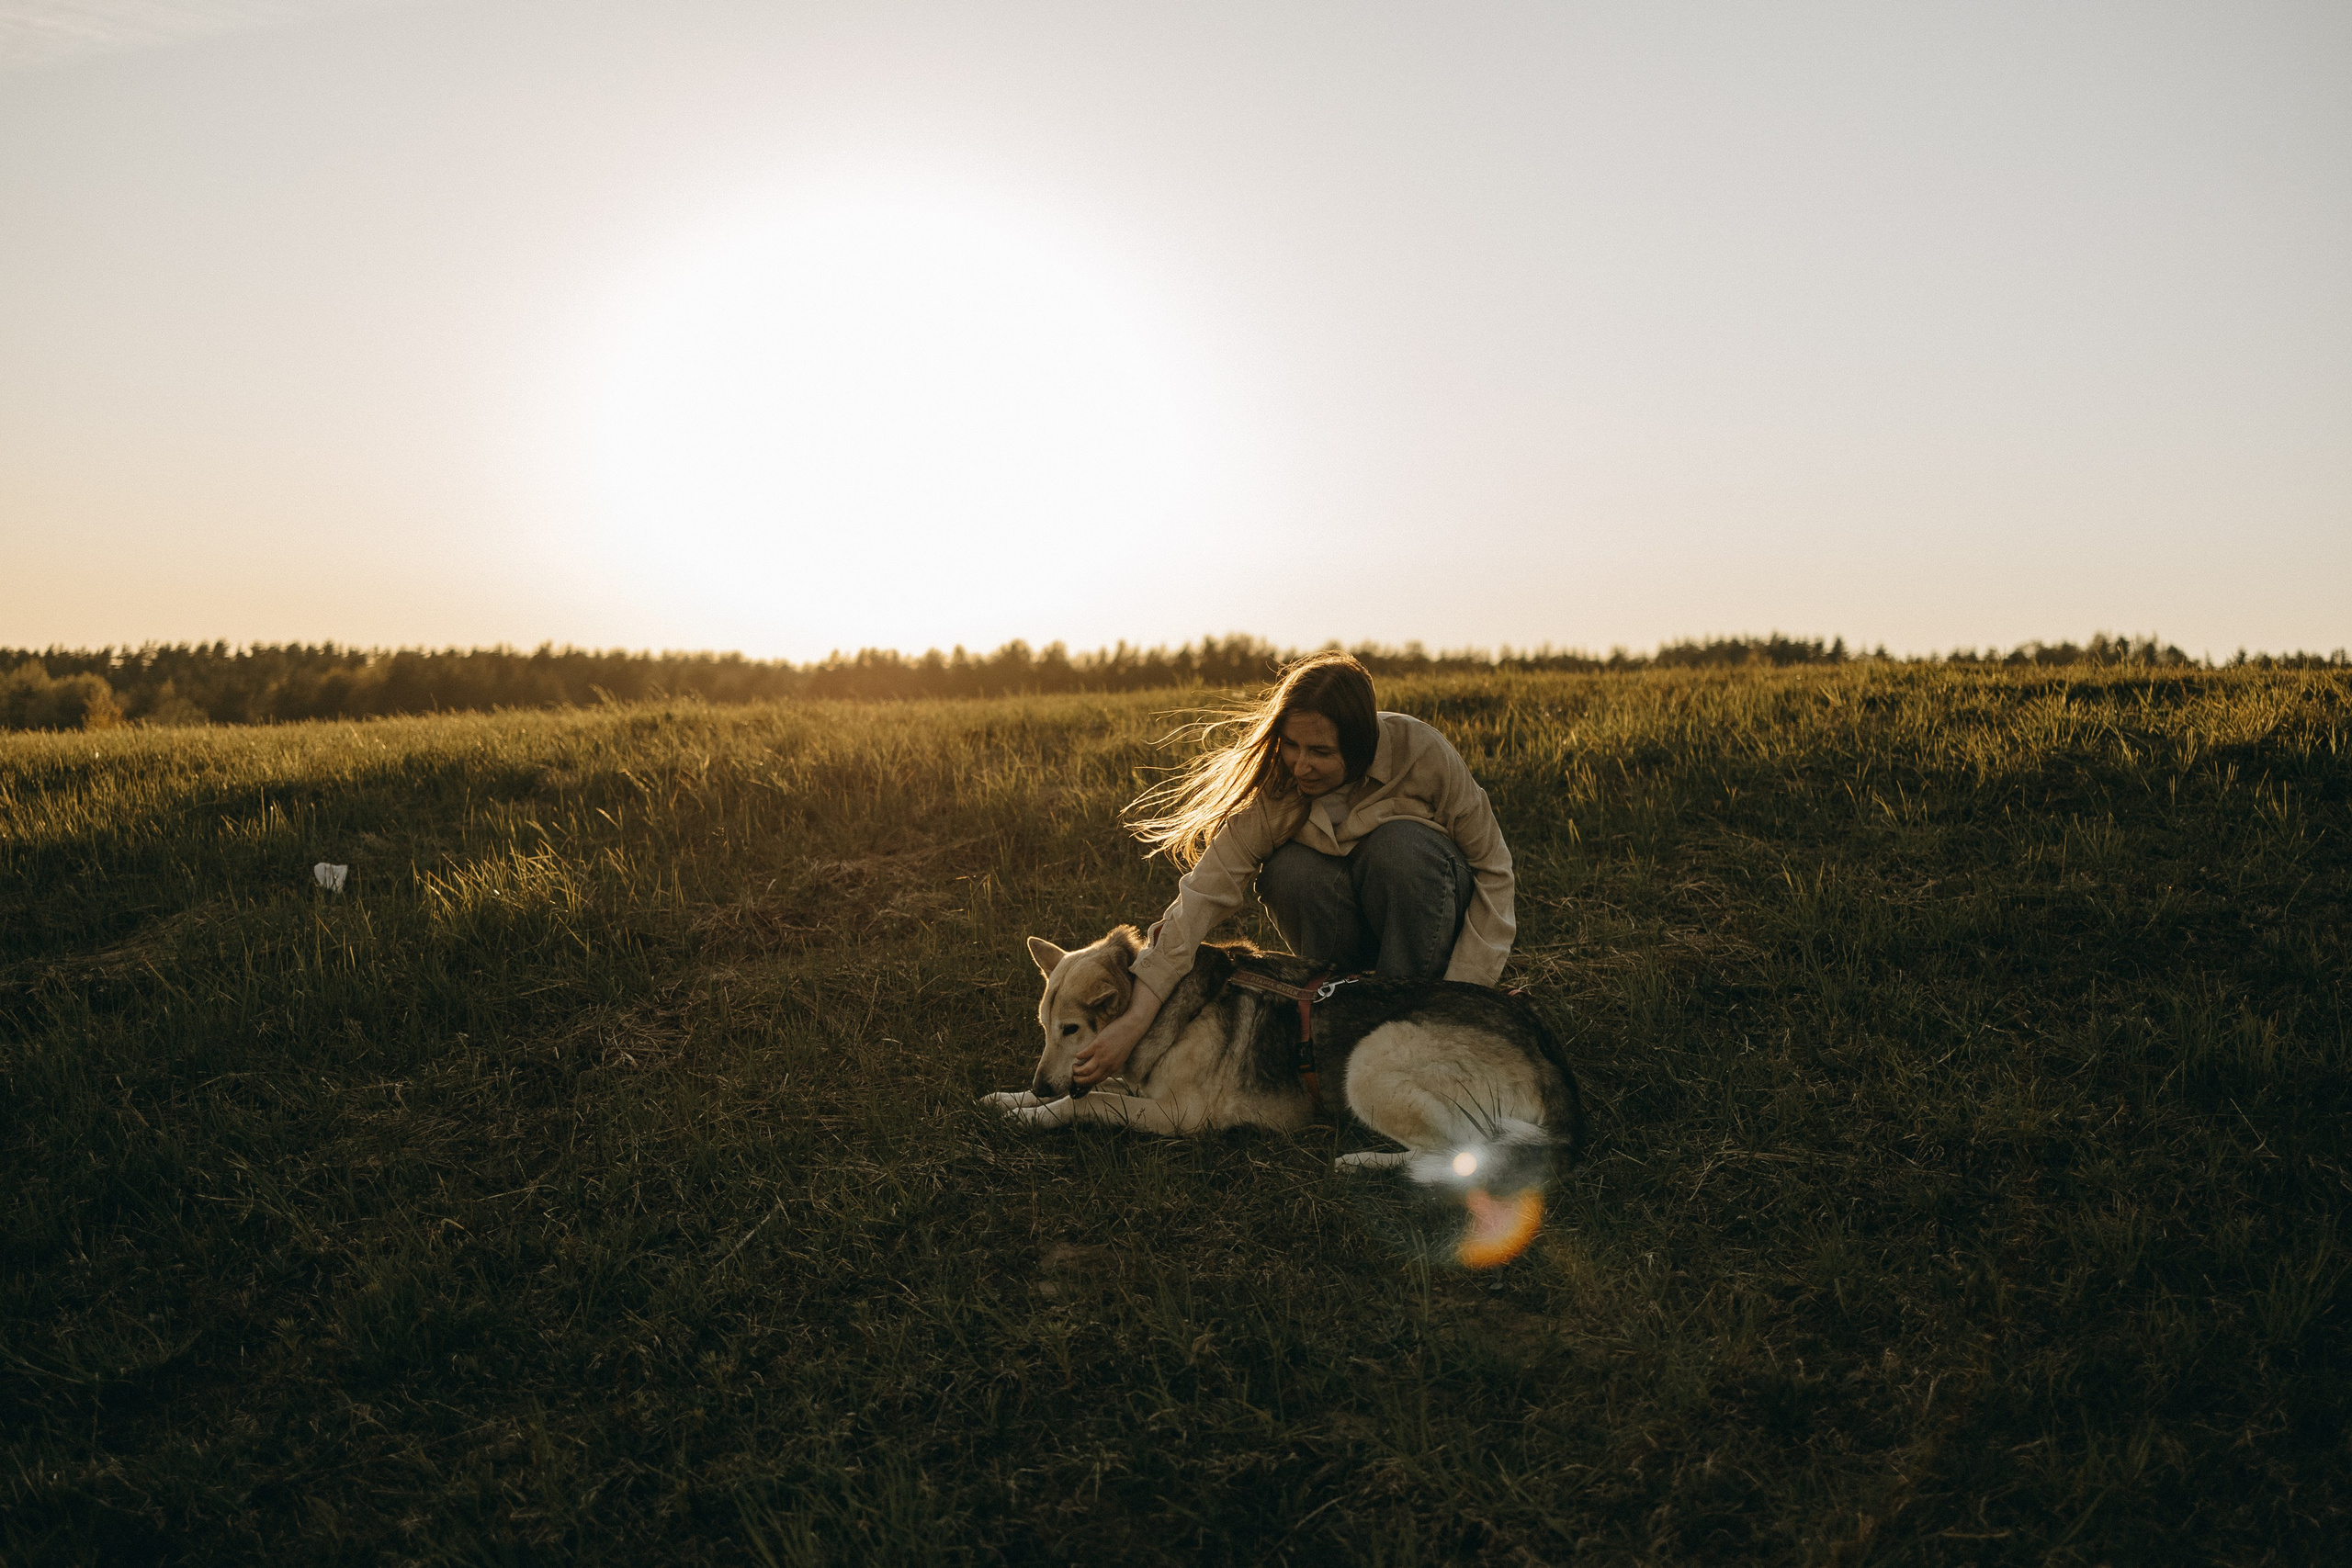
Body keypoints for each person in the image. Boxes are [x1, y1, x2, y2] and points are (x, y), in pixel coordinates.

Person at [1071, 650, 1514, 1089]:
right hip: (1346, 934)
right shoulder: (1277, 788)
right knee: (1290, 869)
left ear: (1361, 745)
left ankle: (1413, 1025)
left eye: (1320, 751)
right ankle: (1338, 1019)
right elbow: (1200, 898)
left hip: (1423, 916)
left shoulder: (1421, 752)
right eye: (1292, 745)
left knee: (1399, 847)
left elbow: (1494, 869)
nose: (1301, 765)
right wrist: (1135, 1020)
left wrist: (1463, 995)